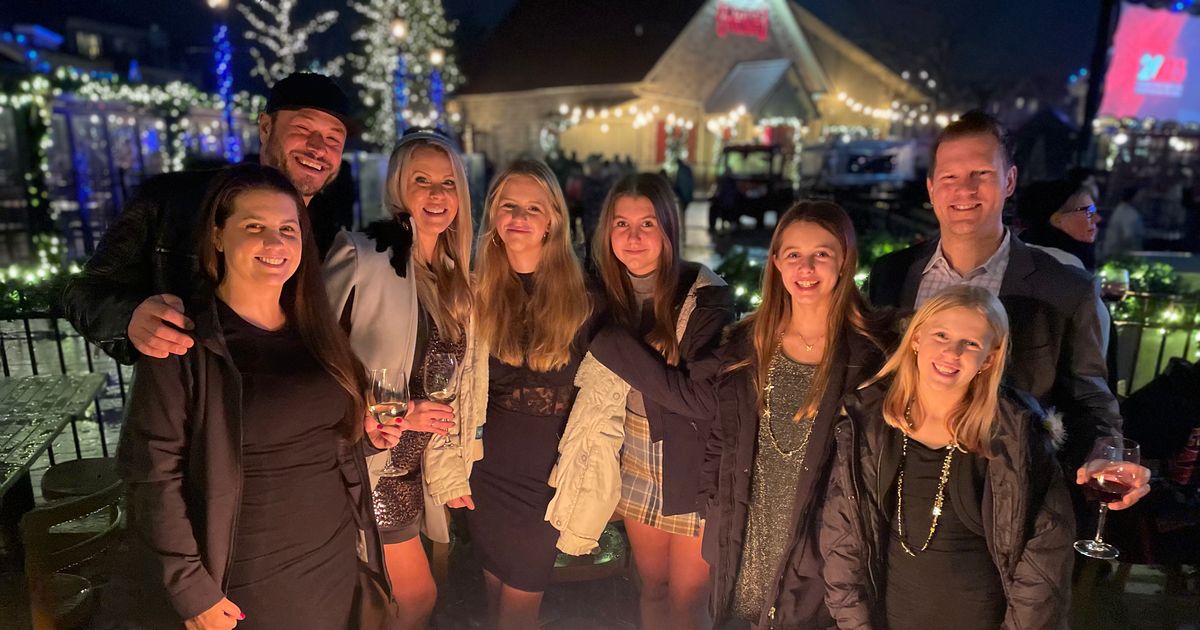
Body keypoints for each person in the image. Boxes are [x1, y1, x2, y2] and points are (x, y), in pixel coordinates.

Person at [111, 164, 390, 629]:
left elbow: (322, 440)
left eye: (288, 229)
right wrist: (190, 588)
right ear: (217, 236)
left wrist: (367, 438)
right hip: (248, 574)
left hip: (333, 558)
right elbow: (152, 475)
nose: (275, 243)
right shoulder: (184, 340)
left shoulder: (316, 332)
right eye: (254, 227)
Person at [867, 111, 1150, 505]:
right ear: (931, 188)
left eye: (981, 174)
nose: (964, 189)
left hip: (1002, 497)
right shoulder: (892, 274)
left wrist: (1106, 456)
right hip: (896, 487)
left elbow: (1090, 399)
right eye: (950, 177)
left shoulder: (1064, 288)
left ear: (1010, 181)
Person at [821, 285, 1075, 630]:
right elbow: (842, 536)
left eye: (971, 344)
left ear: (990, 358)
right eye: (941, 335)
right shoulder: (868, 424)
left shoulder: (1015, 439)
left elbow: (1045, 558)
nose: (952, 352)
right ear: (916, 339)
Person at [63, 72, 355, 365]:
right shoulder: (170, 200)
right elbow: (82, 291)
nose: (319, 148)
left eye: (333, 138)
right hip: (190, 385)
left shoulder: (330, 230)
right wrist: (129, 318)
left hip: (288, 386)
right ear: (266, 127)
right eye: (303, 128)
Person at [424, 160, 601, 630]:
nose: (519, 217)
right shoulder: (474, 294)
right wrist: (450, 470)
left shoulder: (585, 298)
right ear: (493, 216)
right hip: (486, 472)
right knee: (495, 599)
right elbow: (453, 389)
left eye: (533, 208)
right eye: (508, 205)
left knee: (519, 611)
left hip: (547, 480)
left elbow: (606, 398)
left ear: (552, 221)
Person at [705, 201, 886, 629]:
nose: (806, 268)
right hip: (745, 533)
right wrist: (713, 510)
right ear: (776, 262)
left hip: (820, 546)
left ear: (844, 260)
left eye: (821, 253)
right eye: (794, 254)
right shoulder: (746, 344)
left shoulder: (869, 355)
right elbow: (720, 438)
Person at [322, 130, 472, 629]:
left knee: (393, 601)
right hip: (373, 467)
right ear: (397, 187)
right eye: (421, 180)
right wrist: (401, 413)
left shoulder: (452, 275)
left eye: (448, 183)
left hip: (416, 470)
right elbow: (316, 357)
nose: (437, 194)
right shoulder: (364, 255)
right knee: (414, 598)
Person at [578, 173, 734, 630]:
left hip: (692, 462)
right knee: (653, 588)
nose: (633, 238)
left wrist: (606, 342)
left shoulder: (705, 296)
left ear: (669, 228)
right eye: (621, 224)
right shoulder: (601, 291)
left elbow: (702, 401)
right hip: (634, 455)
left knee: (688, 600)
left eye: (647, 224)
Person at [1018, 178, 1102, 271]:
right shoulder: (1065, 263)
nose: (1097, 218)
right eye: (1088, 212)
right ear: (1057, 219)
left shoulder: (1020, 252)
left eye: (1094, 210)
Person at [1100, 187, 1145, 260]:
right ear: (1133, 197)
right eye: (1139, 196)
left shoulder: (1120, 209)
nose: (1141, 199)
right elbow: (1128, 236)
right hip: (1123, 256)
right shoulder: (1128, 213)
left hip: (1115, 253)